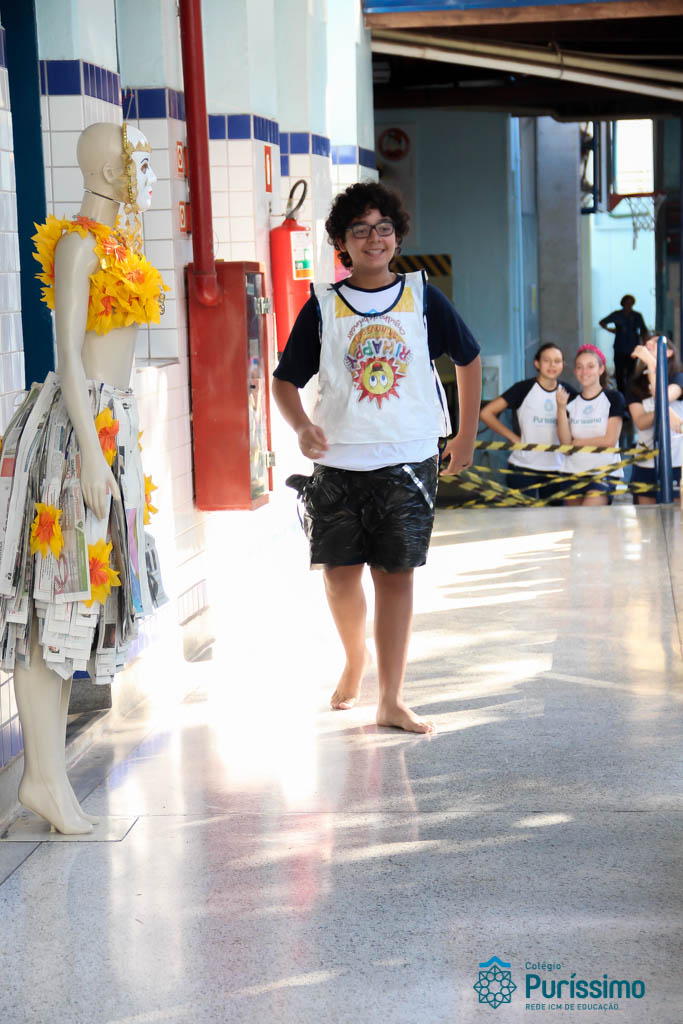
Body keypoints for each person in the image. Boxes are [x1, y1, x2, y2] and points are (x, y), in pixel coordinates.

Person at [3, 122, 167, 834]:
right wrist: (94, 456)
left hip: (109, 430)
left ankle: (47, 777)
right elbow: (68, 355)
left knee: (75, 608)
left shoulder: (117, 245)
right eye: (136, 161)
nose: (144, 173)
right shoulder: (77, 244)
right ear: (106, 168)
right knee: (54, 599)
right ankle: (41, 777)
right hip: (77, 437)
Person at [272, 182, 481, 735]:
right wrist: (302, 426)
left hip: (408, 460)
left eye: (383, 228)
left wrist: (465, 434)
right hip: (338, 462)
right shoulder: (323, 304)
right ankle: (355, 657)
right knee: (339, 578)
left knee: (395, 577)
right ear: (342, 242)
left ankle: (391, 698)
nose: (374, 238)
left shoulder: (422, 295)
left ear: (397, 236)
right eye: (360, 229)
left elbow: (468, 357)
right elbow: (285, 381)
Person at [479, 343, 577, 503]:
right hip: (522, 466)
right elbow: (486, 413)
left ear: (563, 364)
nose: (552, 365)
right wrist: (513, 438)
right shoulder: (523, 388)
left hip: (557, 467)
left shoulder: (568, 392)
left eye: (557, 361)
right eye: (547, 360)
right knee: (522, 517)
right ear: (537, 363)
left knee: (555, 517)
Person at [556, 345, 625, 506]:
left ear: (601, 369)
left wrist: (580, 442)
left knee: (588, 517)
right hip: (572, 471)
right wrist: (561, 408)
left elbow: (609, 440)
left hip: (603, 472)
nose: (584, 371)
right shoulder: (570, 401)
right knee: (574, 520)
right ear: (575, 371)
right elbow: (566, 445)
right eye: (579, 367)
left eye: (590, 366)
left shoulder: (614, 398)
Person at [626, 336, 683, 504]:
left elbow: (663, 397)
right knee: (646, 517)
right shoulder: (635, 384)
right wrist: (666, 413)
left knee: (677, 516)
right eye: (647, 342)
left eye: (656, 342)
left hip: (677, 460)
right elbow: (640, 422)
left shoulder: (678, 377)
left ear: (669, 352)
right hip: (646, 461)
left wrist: (652, 364)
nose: (648, 344)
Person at [599, 294, 649, 395]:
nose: (628, 305)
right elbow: (602, 322)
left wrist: (644, 345)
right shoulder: (617, 314)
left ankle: (630, 392)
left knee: (631, 372)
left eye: (630, 303)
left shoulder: (637, 316)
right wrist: (611, 330)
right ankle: (620, 393)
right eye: (627, 302)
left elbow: (644, 330)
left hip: (632, 348)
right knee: (619, 372)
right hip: (619, 347)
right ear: (623, 303)